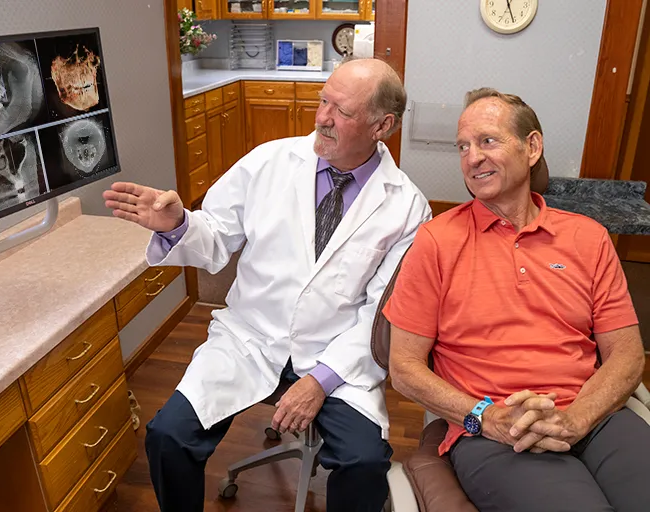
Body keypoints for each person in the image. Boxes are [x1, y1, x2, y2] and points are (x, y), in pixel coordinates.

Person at [103, 58, 431, 511]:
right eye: (323, 102)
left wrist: (320, 380)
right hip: (249, 338)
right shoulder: (269, 162)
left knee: (364, 461)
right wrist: (178, 223)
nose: (322, 118)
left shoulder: (407, 208)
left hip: (334, 356)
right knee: (167, 436)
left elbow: (380, 313)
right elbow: (215, 238)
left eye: (342, 111)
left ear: (383, 125)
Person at [384, 87, 650, 511]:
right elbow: (404, 368)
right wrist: (485, 417)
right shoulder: (437, 241)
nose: (472, 158)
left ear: (532, 147)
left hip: (592, 418)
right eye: (463, 147)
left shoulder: (588, 238)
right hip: (495, 432)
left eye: (487, 141)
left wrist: (577, 418)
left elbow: (628, 355)